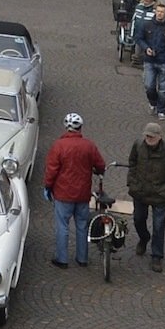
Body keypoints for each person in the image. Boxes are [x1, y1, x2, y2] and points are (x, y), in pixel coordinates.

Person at [43, 113, 106, 268]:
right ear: (80, 128)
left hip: (63, 194)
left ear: (66, 127)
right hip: (83, 194)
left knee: (62, 226)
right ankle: (82, 258)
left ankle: (62, 259)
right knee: (82, 225)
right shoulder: (89, 145)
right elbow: (101, 165)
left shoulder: (59, 145)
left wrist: (47, 186)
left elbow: (51, 170)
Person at [128, 121, 165, 271]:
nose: (148, 139)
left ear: (159, 137)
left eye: (151, 137)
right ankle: (144, 238)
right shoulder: (138, 145)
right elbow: (132, 163)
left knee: (159, 226)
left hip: (160, 194)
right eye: (146, 136)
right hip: (140, 191)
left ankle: (157, 256)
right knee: (138, 219)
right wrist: (132, 183)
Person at [137, 2, 165, 118]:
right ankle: (153, 102)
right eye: (158, 11)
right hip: (149, 61)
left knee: (163, 89)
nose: (159, 14)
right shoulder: (146, 25)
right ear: (155, 11)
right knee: (148, 85)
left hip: (163, 62)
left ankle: (162, 110)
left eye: (162, 12)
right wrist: (146, 48)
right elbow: (139, 38)